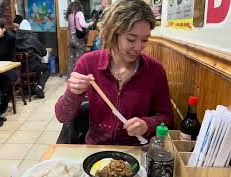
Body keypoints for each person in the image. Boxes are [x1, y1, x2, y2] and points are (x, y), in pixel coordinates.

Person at [55, 0, 174, 145]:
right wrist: (73, 93)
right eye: (131, 39)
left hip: (134, 150)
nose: (138, 47)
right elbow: (62, 116)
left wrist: (147, 124)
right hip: (96, 149)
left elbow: (167, 117)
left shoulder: (155, 71)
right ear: (113, 33)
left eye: (145, 40)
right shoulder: (88, 63)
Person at [15, 19, 49, 98]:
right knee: (46, 68)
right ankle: (39, 86)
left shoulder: (13, 39)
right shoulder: (31, 38)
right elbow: (44, 52)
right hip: (32, 68)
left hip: (17, 69)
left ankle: (28, 87)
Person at [64, 1, 96, 78]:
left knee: (71, 59)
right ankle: (77, 76)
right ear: (78, 6)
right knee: (79, 59)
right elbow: (84, 25)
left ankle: (70, 77)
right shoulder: (79, 13)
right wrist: (92, 22)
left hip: (71, 38)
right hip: (78, 39)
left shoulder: (70, 14)